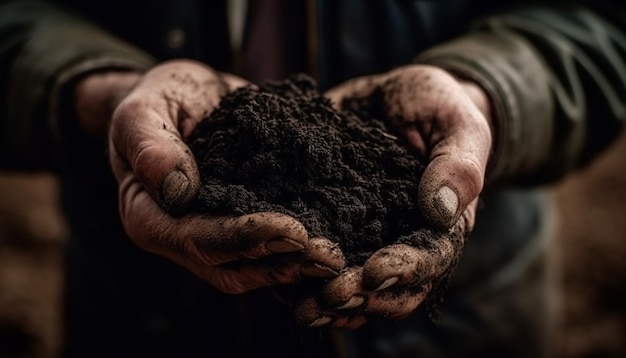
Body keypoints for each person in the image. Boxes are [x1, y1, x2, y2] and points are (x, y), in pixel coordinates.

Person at [0, 0, 624, 357]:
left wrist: (486, 95)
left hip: (468, 322)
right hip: (144, 317)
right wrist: (98, 93)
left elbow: (598, 22)